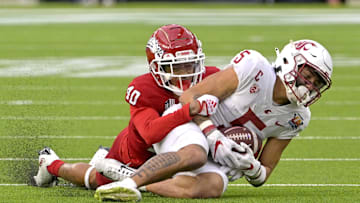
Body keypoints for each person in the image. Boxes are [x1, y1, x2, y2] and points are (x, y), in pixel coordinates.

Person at [94, 39, 333, 201]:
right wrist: (213, 134)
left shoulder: (298, 116)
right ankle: (131, 184)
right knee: (196, 153)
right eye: (307, 75)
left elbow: (265, 171)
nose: (310, 86)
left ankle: (132, 180)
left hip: (218, 152)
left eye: (317, 83)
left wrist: (249, 165)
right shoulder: (255, 66)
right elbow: (190, 96)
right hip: (189, 124)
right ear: (289, 62)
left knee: (214, 186)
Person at [33, 24, 237, 196]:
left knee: (194, 181)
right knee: (95, 179)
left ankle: (128, 176)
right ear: (157, 67)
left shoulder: (210, 77)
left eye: (189, 65)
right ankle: (51, 163)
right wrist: (189, 110)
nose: (184, 74)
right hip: (138, 152)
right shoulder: (144, 88)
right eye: (176, 67)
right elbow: (149, 133)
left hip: (180, 150)